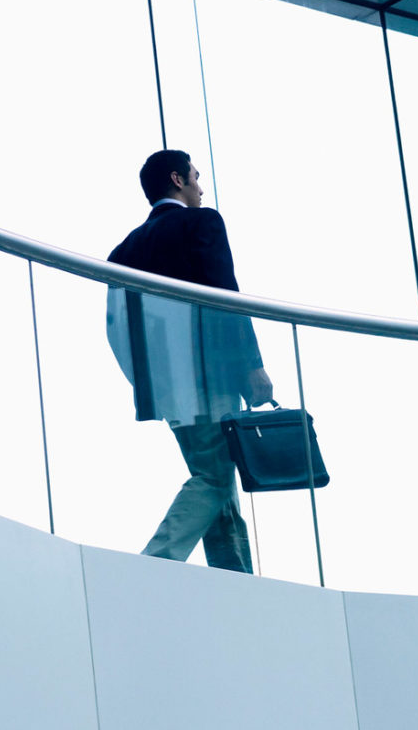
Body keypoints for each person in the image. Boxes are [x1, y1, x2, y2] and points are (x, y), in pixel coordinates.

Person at [105, 149, 272, 573]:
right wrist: (252, 365)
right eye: (196, 177)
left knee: (216, 475)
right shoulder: (203, 222)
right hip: (209, 375)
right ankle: (154, 566)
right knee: (214, 477)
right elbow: (224, 295)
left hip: (167, 389)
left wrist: (150, 386)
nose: (201, 186)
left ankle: (235, 581)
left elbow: (117, 326)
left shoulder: (124, 249)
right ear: (178, 180)